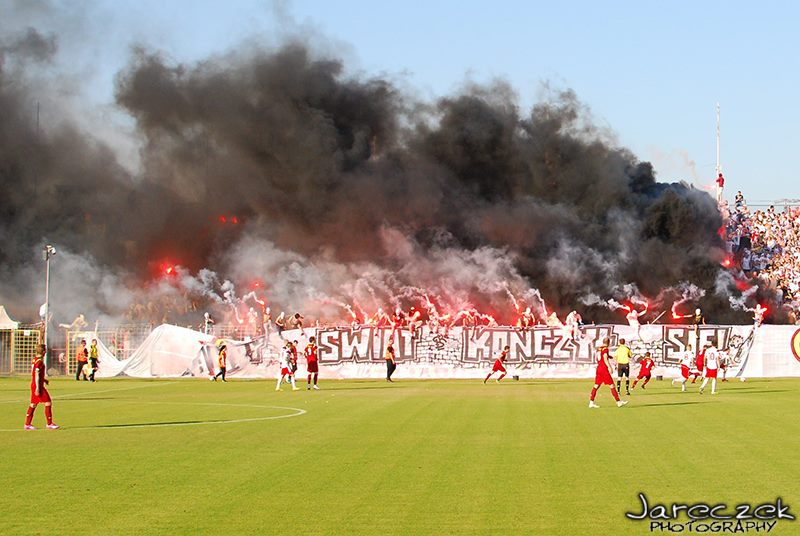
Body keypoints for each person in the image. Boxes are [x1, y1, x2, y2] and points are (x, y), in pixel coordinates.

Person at [25, 344, 59, 430]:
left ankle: (27, 424)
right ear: (44, 352)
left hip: (34, 384)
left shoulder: (35, 359)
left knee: (33, 404)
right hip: (37, 386)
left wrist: (43, 380)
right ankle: (49, 423)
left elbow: (35, 373)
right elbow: (36, 374)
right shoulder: (39, 362)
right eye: (45, 350)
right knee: (48, 402)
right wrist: (37, 387)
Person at [589, 337, 628, 409]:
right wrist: (609, 367)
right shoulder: (606, 349)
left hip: (599, 369)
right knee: (612, 385)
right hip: (604, 369)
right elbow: (604, 357)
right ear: (608, 342)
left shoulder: (599, 349)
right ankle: (618, 402)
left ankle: (591, 402)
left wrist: (610, 357)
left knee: (596, 386)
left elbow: (600, 357)